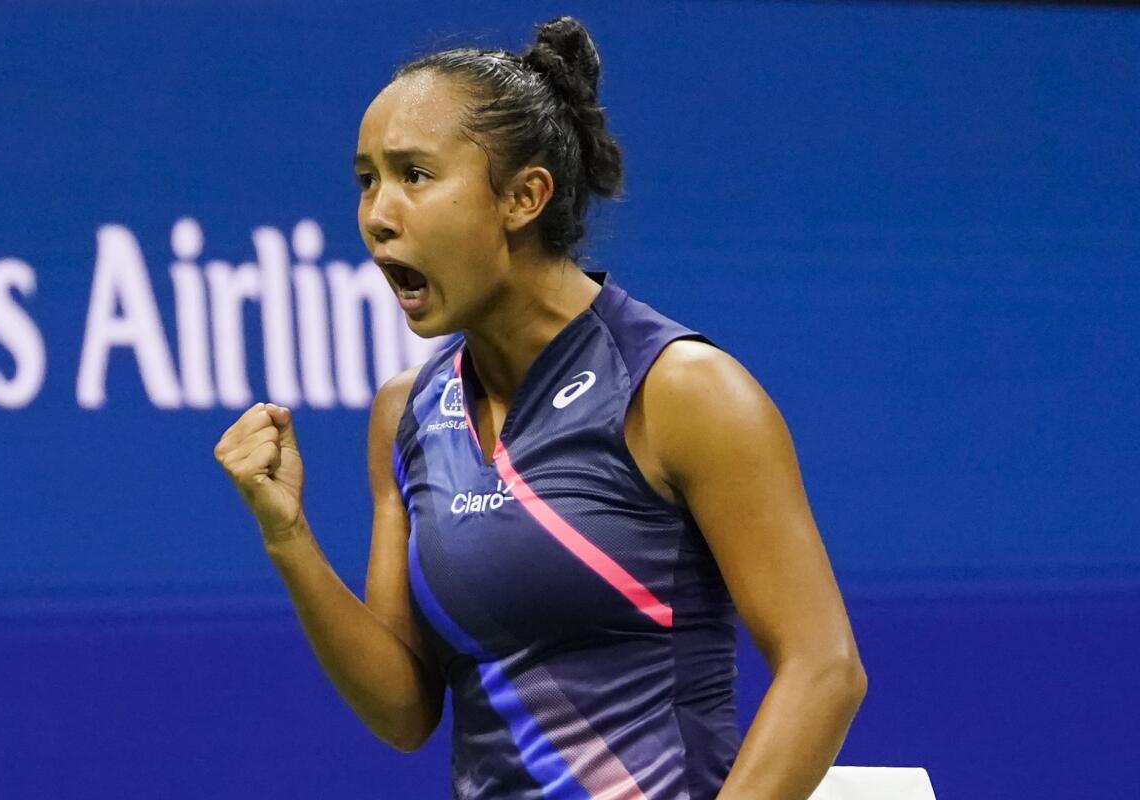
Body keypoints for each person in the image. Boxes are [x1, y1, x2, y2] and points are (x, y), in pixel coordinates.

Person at [214, 16, 866, 800]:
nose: (378, 214)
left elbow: (823, 667)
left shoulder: (679, 391)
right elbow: (404, 710)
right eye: (366, 179)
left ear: (524, 197)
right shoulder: (408, 413)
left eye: (415, 175)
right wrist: (288, 539)